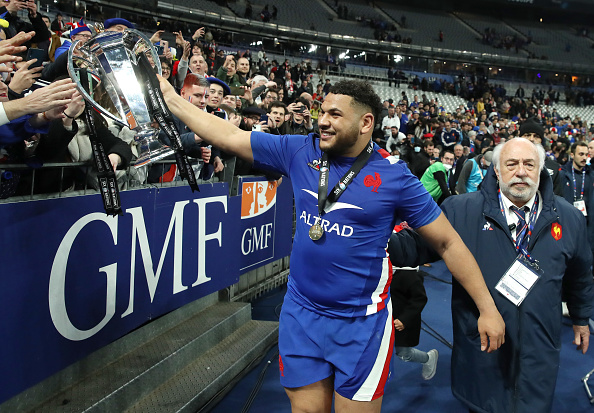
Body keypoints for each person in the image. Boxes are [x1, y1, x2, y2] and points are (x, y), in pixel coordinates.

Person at [157, 76, 505, 412]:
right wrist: (173, 100)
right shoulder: (299, 149)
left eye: (334, 115)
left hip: (361, 323)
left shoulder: (394, 176)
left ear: (366, 122)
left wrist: (487, 308)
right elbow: (231, 135)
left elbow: (447, 243)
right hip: (300, 314)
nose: (322, 121)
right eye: (321, 112)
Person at [388, 138, 593, 413]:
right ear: (496, 170)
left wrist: (580, 317)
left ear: (541, 170)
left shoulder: (569, 218)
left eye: (529, 164)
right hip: (482, 348)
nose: (521, 171)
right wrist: (378, 235)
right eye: (511, 164)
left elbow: (580, 275)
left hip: (539, 349)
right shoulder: (461, 210)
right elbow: (417, 247)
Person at [391, 224, 438, 381]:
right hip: (384, 317)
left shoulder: (409, 275)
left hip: (402, 320)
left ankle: (428, 358)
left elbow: (419, 299)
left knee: (403, 353)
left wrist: (404, 319)